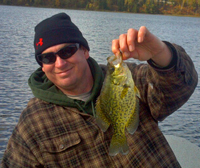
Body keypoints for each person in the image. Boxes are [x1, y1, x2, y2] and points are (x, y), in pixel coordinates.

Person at [1, 12, 198, 168]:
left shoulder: (131, 77)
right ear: (42, 65)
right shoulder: (33, 122)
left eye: (67, 51)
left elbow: (180, 88)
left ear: (85, 51)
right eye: (47, 58)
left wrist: (161, 54)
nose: (59, 63)